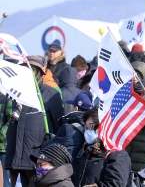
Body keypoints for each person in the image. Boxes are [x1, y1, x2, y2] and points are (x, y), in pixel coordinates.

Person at [5, 55, 64, 187]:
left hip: (39, 159)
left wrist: (49, 155)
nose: (28, 72)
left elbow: (58, 126)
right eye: (25, 69)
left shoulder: (51, 94)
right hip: (17, 159)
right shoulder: (17, 94)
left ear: (40, 71)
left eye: (32, 69)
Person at [72, 108, 130, 187]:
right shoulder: (87, 151)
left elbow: (116, 184)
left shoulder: (118, 154)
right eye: (86, 127)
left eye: (91, 127)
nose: (87, 131)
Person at [42, 92, 93, 159]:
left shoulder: (68, 128)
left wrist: (48, 140)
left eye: (71, 105)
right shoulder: (94, 127)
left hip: (68, 167)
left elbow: (50, 149)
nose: (70, 107)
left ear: (76, 108)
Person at [0, 93, 12, 187]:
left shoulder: (7, 98)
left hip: (3, 147)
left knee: (5, 182)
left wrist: (1, 135)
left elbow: (10, 121)